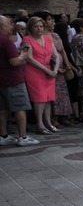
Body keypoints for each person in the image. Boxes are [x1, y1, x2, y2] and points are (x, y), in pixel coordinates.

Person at [0, 14, 40, 146]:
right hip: (13, 79)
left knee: (3, 108)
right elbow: (14, 62)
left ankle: (3, 135)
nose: (12, 26)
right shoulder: (6, 41)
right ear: (2, 26)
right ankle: (23, 137)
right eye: (9, 23)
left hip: (2, 80)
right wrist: (23, 55)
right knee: (20, 107)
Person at [22, 17, 58, 135]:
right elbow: (29, 58)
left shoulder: (48, 39)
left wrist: (55, 69)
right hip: (34, 71)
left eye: (41, 26)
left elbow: (56, 55)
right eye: (35, 27)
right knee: (40, 98)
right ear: (30, 28)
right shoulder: (27, 39)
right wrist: (46, 70)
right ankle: (39, 124)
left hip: (50, 71)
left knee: (48, 98)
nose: (39, 29)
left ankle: (48, 122)